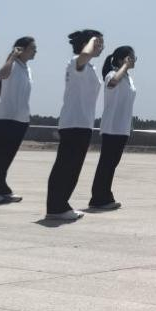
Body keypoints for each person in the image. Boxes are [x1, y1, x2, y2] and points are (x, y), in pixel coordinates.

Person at [44, 29, 103, 221]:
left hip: (83, 123)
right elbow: (84, 55)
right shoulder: (77, 61)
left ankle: (61, 205)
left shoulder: (89, 67)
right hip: (74, 122)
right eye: (98, 43)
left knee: (72, 168)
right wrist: (92, 41)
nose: (101, 47)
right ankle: (56, 207)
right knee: (65, 167)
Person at [0, 36, 36, 204]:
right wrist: (12, 56)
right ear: (21, 49)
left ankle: (1, 188)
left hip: (21, 119)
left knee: (7, 157)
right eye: (32, 48)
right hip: (6, 117)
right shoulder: (13, 64)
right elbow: (1, 74)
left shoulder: (27, 68)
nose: (35, 51)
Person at [90, 45, 137, 211]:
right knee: (106, 163)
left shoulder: (128, 78)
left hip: (122, 128)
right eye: (131, 57)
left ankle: (104, 196)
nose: (134, 61)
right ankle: (98, 197)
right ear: (122, 59)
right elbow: (111, 83)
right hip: (112, 127)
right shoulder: (113, 74)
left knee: (112, 164)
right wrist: (124, 66)